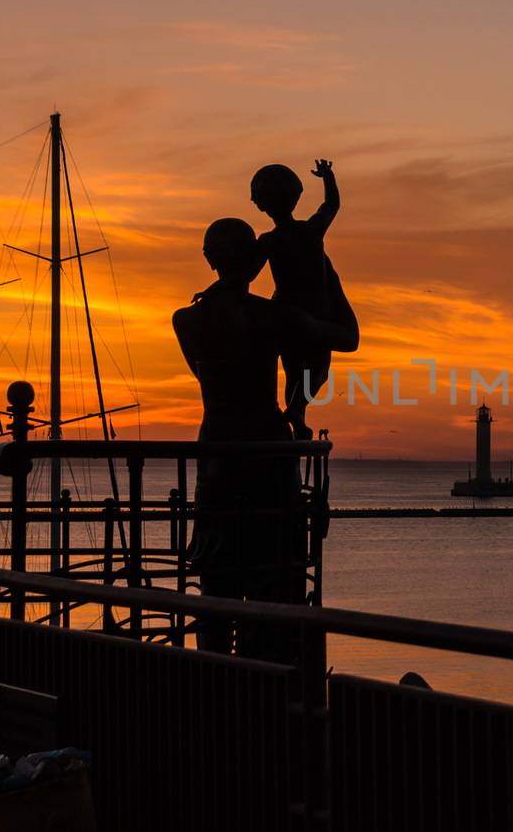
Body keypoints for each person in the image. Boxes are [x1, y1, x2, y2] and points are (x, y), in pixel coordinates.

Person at [173, 217, 351, 657]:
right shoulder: (272, 316)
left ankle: (213, 678)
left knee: (216, 583)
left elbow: (203, 372)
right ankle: (273, 686)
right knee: (276, 578)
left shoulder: (186, 320)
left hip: (216, 451)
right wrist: (323, 267)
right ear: (255, 259)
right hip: (268, 450)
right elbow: (347, 337)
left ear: (208, 259)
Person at [194, 159, 359, 440]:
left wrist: (214, 290)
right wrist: (328, 178)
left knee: (294, 368)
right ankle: (296, 410)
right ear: (295, 197)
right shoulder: (310, 230)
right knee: (315, 369)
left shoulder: (269, 240)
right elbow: (331, 205)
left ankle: (296, 413)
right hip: (313, 310)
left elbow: (246, 275)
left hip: (287, 308)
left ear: (260, 204)